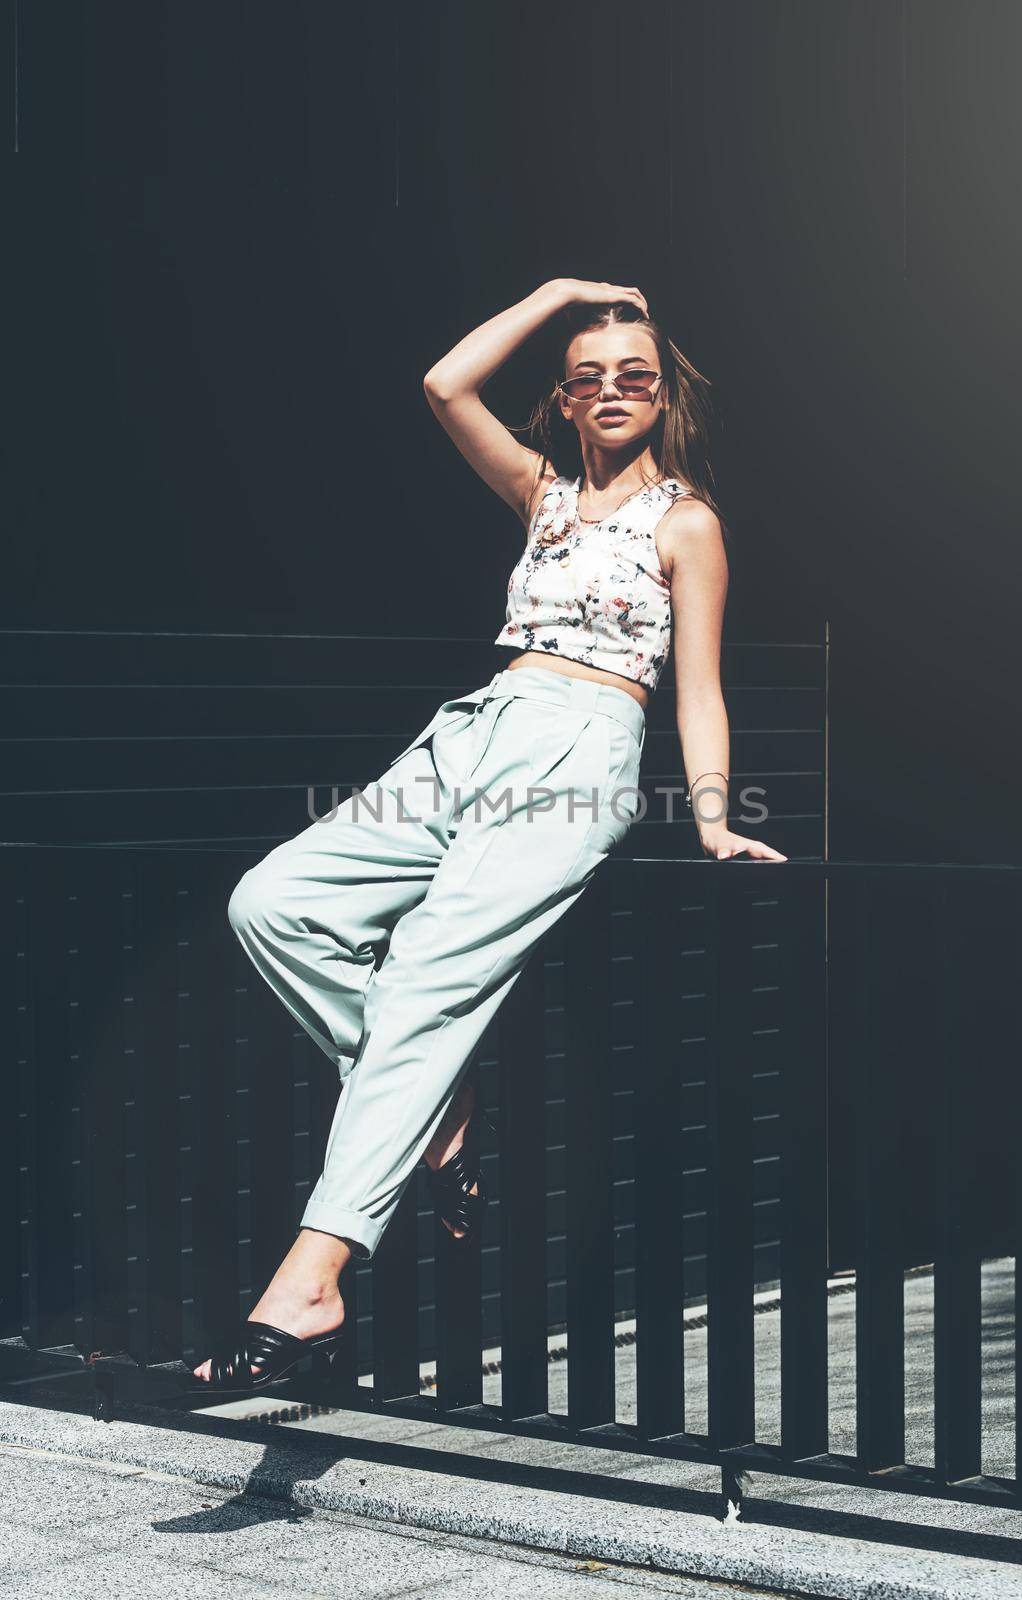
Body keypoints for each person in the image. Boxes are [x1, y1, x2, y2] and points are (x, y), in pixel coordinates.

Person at [188, 277, 787, 1392]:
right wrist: (564, 291)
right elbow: (444, 383)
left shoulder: (687, 522)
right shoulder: (543, 495)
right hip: (471, 730)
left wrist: (710, 818)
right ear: (563, 399)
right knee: (272, 902)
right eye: (590, 376)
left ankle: (313, 1278)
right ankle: (440, 1109)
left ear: (662, 397)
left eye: (636, 376)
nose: (614, 390)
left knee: (421, 980)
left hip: (582, 746)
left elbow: (700, 687)